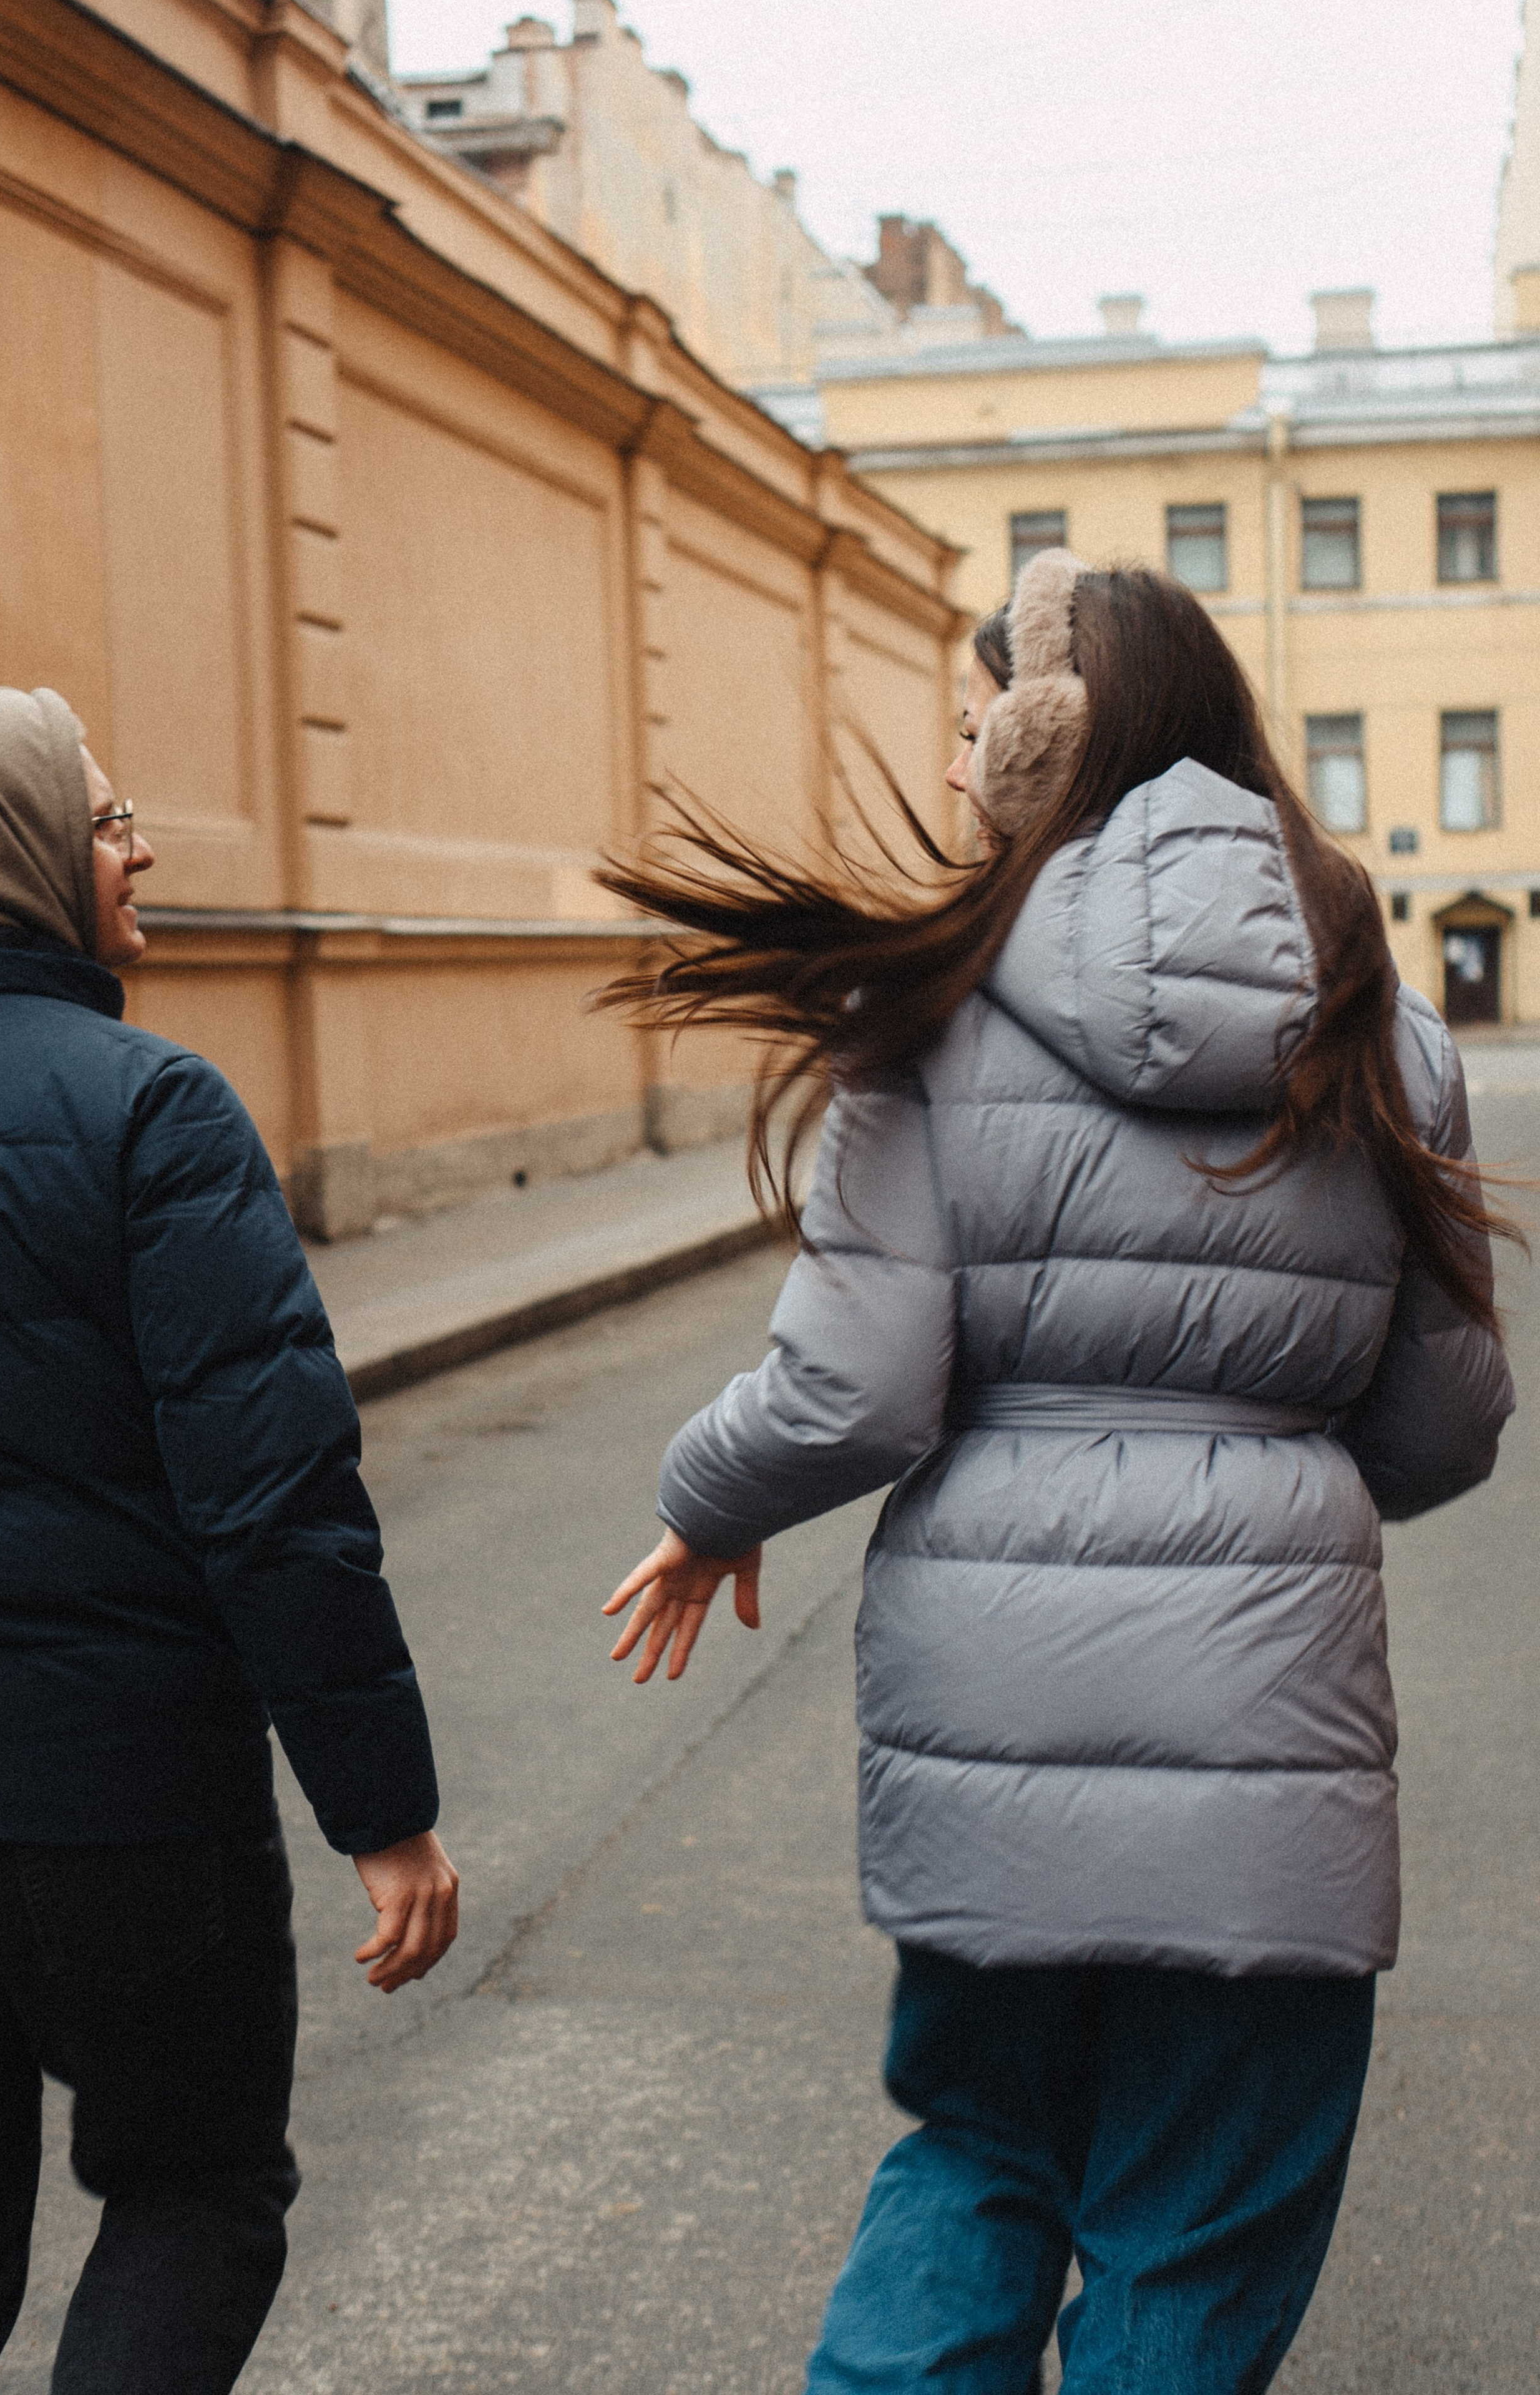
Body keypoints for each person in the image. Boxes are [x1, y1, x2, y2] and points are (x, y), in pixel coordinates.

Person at [597, 554, 1516, 2393]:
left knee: (981, 2155)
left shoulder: (928, 1012)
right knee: (1198, 2223)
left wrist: (711, 1505)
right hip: (1271, 1733)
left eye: (971, 734)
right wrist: (1265, 1460)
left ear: (1040, 749)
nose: (955, 776)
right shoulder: (1386, 1039)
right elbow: (1444, 1426)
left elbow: (850, 1393)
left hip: (988, 1711)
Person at [0, 687, 459, 2395]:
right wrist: (382, 1809)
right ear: (18, 860)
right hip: (126, 1807)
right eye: (105, 821)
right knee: (196, 2190)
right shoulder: (151, 1111)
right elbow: (273, 1495)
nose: (143, 843)